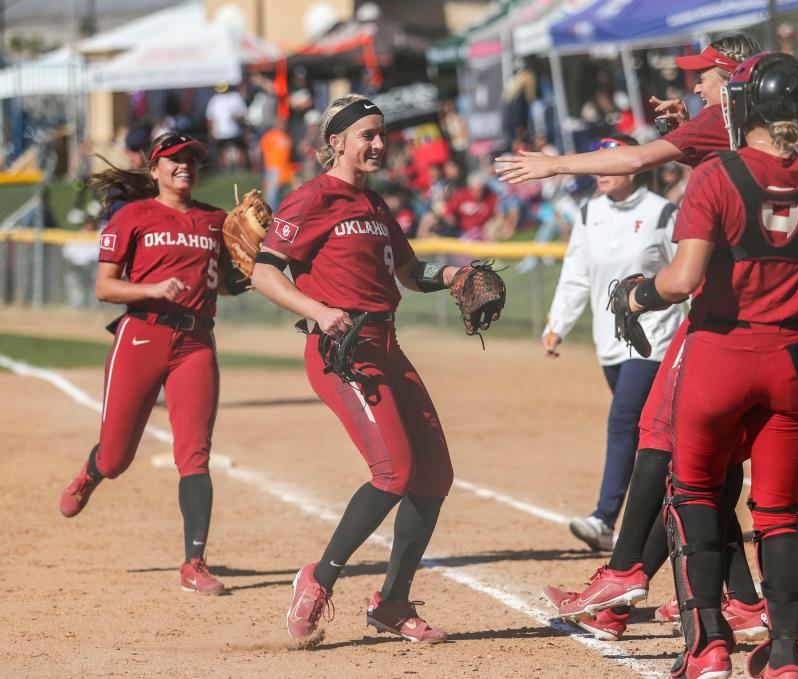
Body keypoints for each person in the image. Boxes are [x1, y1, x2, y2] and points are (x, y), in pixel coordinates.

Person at [625, 52, 798, 679]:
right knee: (780, 511)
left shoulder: (717, 175)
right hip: (793, 363)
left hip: (719, 356)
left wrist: (640, 293)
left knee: (695, 493)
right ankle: (784, 654)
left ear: (745, 106)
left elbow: (683, 279)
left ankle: (707, 647)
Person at [502, 34, 769, 642]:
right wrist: (693, 135)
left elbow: (633, 161)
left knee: (660, 444)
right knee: (706, 468)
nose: (693, 87)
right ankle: (733, 602)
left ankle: (623, 575)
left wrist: (554, 164)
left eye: (704, 77)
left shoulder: (713, 132)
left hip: (718, 323)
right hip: (768, 322)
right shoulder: (767, 137)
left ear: (733, 79)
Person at [251, 94, 502, 644]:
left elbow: (411, 272)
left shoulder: (376, 206)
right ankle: (317, 580)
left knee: (434, 476)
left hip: (386, 345)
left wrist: (454, 276)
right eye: (367, 134)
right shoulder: (312, 199)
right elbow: (265, 272)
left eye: (382, 134)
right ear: (335, 141)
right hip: (340, 352)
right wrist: (317, 311)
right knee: (394, 472)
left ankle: (391, 602)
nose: (379, 144)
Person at [58, 132, 251, 596]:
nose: (185, 165)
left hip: (196, 343)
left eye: (192, 160)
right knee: (117, 455)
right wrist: (151, 289)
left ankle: (194, 562)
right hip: (142, 334)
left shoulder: (215, 220)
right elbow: (105, 288)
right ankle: (91, 472)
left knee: (195, 454)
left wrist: (247, 274)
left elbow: (221, 283)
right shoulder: (132, 216)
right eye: (175, 159)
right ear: (155, 169)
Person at [542, 133, 684, 560]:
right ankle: (672, 514)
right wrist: (557, 324)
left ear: (635, 166)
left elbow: (687, 272)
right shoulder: (590, 212)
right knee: (651, 434)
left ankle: (605, 519)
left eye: (610, 162)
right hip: (610, 340)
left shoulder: (662, 213)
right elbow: (576, 273)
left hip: (655, 339)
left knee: (623, 421)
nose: (599, 171)